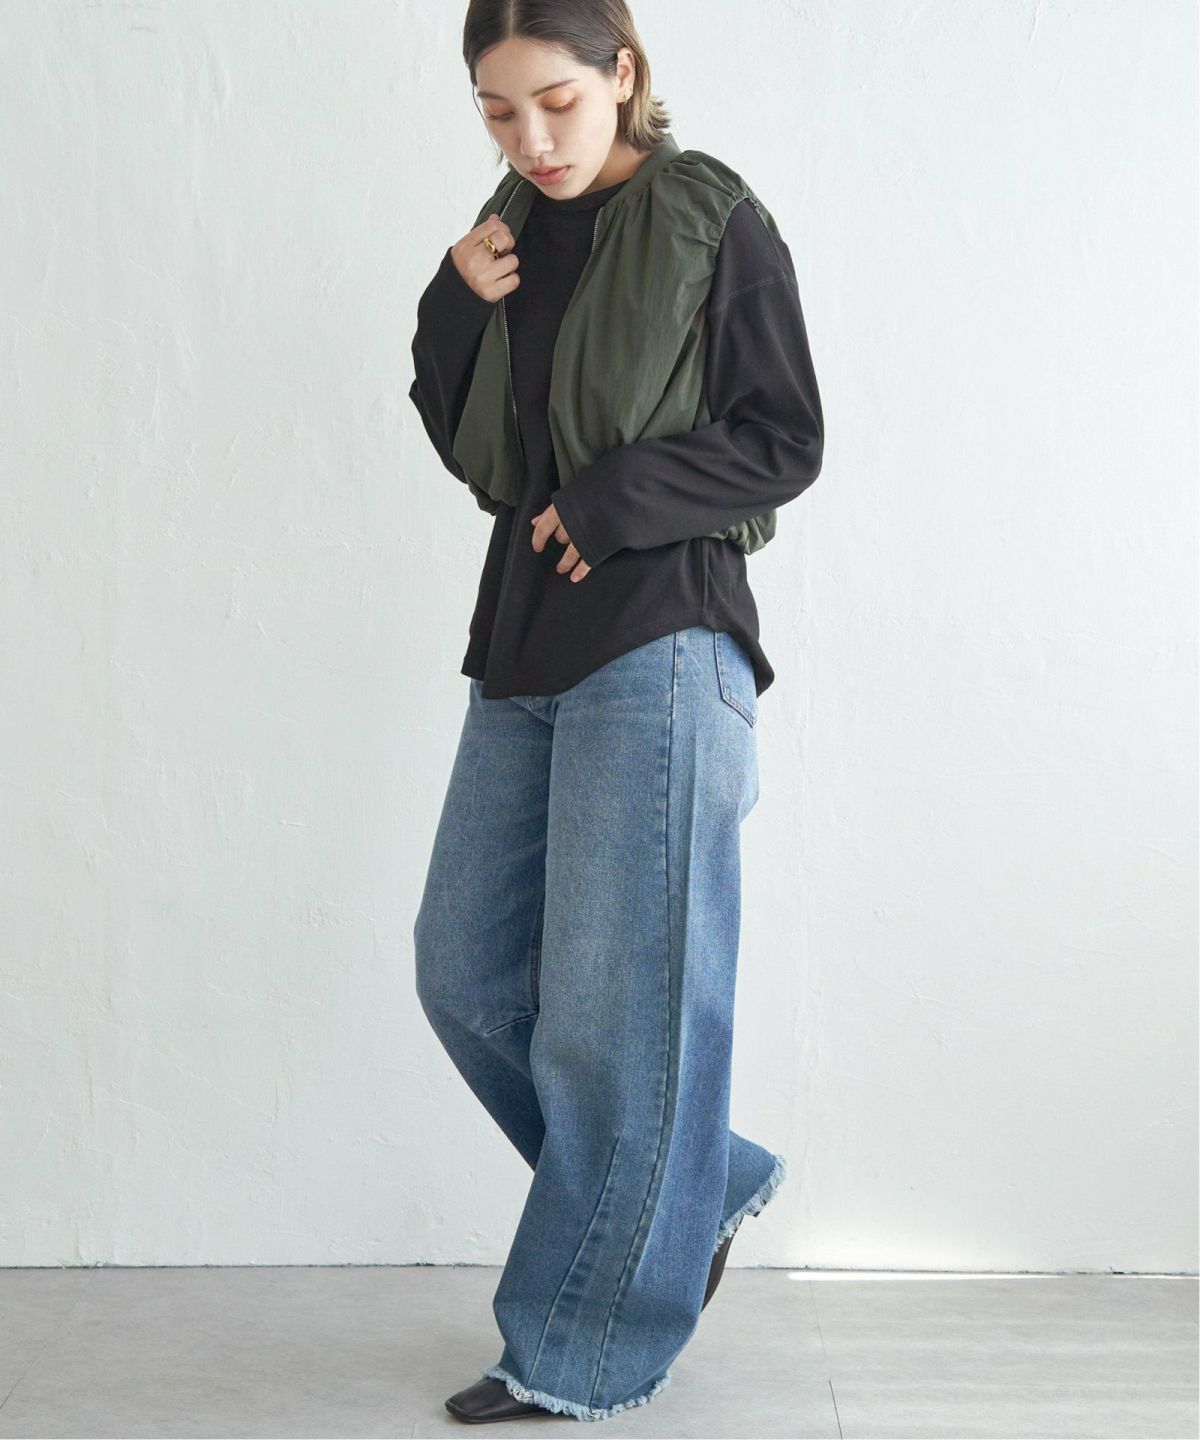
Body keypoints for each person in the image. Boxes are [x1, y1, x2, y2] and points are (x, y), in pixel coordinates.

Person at [408, 0, 824, 1423]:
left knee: (612, 1014)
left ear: (623, 73)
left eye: (557, 103)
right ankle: (695, 1182)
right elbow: (474, 447)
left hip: (662, 638)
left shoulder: (712, 218)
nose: (532, 139)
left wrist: (616, 498)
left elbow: (785, 437)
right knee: (465, 973)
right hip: (525, 643)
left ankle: (579, 1352)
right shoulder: (507, 230)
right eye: (498, 111)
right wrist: (454, 299)